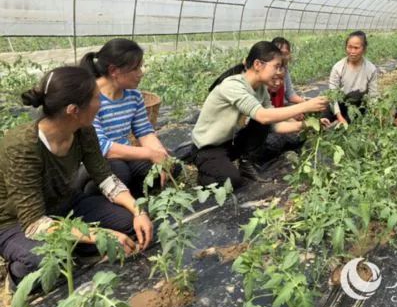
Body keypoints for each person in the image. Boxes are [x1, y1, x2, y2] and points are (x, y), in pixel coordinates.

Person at [0, 67, 153, 286]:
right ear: (73, 110)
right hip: (16, 222)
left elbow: (105, 177)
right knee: (49, 261)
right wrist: (100, 235)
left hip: (65, 204)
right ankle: (16, 274)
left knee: (129, 225)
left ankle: (78, 245)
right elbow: (35, 223)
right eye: (95, 98)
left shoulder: (84, 130)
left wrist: (138, 210)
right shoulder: (22, 146)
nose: (100, 104)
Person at [191, 41, 328, 188]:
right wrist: (305, 106)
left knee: (264, 122)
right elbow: (263, 115)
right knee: (233, 181)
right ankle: (205, 176)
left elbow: (274, 124)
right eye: (276, 66)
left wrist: (308, 125)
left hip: (228, 143)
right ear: (258, 65)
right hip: (207, 148)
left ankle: (245, 162)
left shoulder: (261, 89)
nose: (278, 72)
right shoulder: (232, 85)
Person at [80, 39, 173, 197]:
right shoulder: (90, 97)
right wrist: (150, 154)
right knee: (120, 172)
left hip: (124, 155)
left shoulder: (133, 96)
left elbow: (144, 132)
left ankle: (132, 199)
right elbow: (101, 147)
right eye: (136, 68)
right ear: (114, 70)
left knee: (166, 168)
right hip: (93, 162)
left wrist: (160, 154)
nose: (141, 73)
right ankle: (90, 196)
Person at [321, 30, 378, 127]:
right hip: (340, 104)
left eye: (356, 48)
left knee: (356, 115)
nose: (352, 52)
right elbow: (333, 96)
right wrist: (340, 117)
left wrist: (376, 113)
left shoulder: (371, 69)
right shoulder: (338, 68)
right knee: (325, 116)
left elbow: (373, 96)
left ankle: (344, 123)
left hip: (357, 105)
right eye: (349, 47)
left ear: (364, 49)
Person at [271, 37, 305, 106]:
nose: (283, 57)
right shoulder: (267, 72)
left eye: (286, 53)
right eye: (280, 53)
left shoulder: (284, 69)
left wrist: (307, 103)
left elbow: (290, 94)